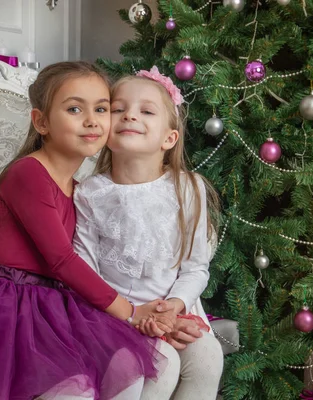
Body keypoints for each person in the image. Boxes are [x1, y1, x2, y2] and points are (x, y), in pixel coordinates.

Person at [0, 61, 173, 400]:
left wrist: (157, 308)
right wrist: (130, 311)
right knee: (75, 391)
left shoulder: (83, 189)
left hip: (54, 304)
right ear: (41, 122)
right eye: (74, 108)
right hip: (3, 306)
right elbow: (61, 260)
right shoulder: (29, 174)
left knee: (148, 368)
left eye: (101, 108)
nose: (91, 120)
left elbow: (96, 260)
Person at [73, 66, 224, 400]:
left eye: (146, 111)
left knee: (207, 359)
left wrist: (172, 309)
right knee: (160, 367)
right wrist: (132, 318)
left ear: (168, 139)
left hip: (173, 311)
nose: (129, 116)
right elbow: (85, 271)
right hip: (112, 316)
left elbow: (196, 267)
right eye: (117, 109)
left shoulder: (189, 189)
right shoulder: (89, 193)